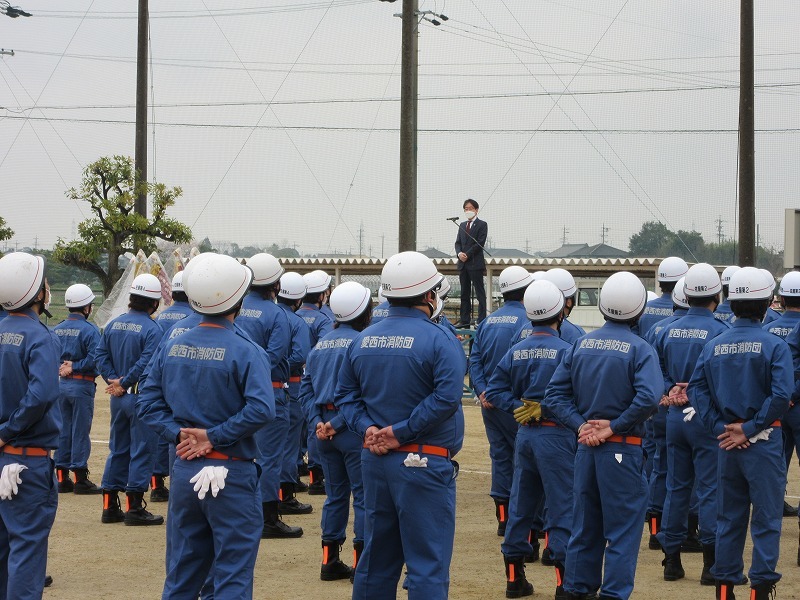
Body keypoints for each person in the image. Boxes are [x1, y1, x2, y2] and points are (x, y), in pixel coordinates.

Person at [137, 252, 275, 599]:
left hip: (184, 469)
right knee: (232, 576)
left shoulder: (171, 344)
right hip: (232, 474)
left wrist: (180, 434)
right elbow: (261, 409)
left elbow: (147, 403)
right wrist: (213, 437)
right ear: (239, 299)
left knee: (182, 574)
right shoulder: (247, 350)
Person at [335, 251, 465, 600]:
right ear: (428, 295)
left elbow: (345, 395)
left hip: (374, 461)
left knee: (377, 559)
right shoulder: (441, 340)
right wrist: (400, 432)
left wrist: (369, 430)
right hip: (423, 461)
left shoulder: (363, 339)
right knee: (427, 563)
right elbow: (446, 399)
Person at [543, 271, 661, 600]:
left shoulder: (581, 344)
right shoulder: (641, 349)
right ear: (639, 308)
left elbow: (554, 396)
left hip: (585, 450)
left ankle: (577, 590)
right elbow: (649, 398)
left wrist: (581, 424)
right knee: (622, 533)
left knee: (585, 527)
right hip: (623, 449)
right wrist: (614, 426)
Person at [690, 267, 793, 600]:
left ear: (731, 302)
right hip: (763, 443)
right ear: (766, 304)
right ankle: (760, 591)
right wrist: (749, 428)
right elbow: (781, 395)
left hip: (725, 444)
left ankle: (724, 589)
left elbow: (696, 389)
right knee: (766, 520)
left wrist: (722, 428)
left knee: (728, 519)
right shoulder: (774, 346)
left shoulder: (714, 345)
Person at [486, 279, 573, 599]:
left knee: (522, 503)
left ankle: (514, 579)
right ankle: (564, 585)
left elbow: (494, 392)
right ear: (559, 313)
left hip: (525, 435)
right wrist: (544, 409)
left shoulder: (515, 350)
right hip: (558, 436)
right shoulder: (568, 350)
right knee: (563, 506)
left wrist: (524, 410)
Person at [652, 264, 729, 585]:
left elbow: (657, 372)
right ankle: (710, 564)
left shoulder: (667, 330)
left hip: (675, 416)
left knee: (676, 486)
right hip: (705, 417)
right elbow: (724, 381)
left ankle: (672, 560)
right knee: (710, 489)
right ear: (716, 294)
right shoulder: (722, 331)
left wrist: (673, 388)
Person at [300, 281, 371, 582]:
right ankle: (361, 563)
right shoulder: (362, 343)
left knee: (335, 496)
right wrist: (338, 423)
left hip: (323, 433)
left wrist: (318, 422)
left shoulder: (320, 345)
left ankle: (329, 560)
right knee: (364, 497)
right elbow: (364, 393)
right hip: (351, 429)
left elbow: (306, 389)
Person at [0, 252, 60, 600]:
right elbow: (41, 395)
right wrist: (7, 430)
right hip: (26, 461)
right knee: (26, 551)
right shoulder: (39, 336)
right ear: (37, 294)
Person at [235, 253, 309, 538]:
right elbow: (277, 355)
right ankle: (267, 517)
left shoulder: (238, 308)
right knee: (269, 459)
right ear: (275, 285)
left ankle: (245, 512)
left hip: (237, 392)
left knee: (242, 454)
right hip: (270, 392)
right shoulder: (277, 313)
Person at [469, 266, 534, 538]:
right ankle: (524, 521)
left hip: (490, 404)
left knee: (500, 457)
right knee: (525, 461)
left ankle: (503, 519)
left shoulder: (487, 321)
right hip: (516, 404)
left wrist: (484, 391)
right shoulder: (528, 322)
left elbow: (474, 360)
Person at [96, 272, 164, 526]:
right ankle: (134, 507)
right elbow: (146, 363)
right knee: (142, 450)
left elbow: (100, 355)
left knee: (118, 449)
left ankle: (109, 505)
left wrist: (113, 381)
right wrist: (124, 382)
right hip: (140, 397)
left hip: (118, 398)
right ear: (154, 302)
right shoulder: (153, 329)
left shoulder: (114, 324)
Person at [639, 256, 688, 550]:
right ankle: (687, 532)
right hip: (690, 407)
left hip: (656, 399)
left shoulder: (646, 313)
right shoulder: (700, 323)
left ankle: (656, 530)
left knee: (658, 464)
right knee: (690, 474)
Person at [52, 283, 102, 495]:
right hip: (82, 386)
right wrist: (76, 366)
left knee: (63, 429)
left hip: (61, 385)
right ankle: (80, 478)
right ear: (87, 307)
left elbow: (48, 355)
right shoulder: (90, 331)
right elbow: (97, 360)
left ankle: (61, 477)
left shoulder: (57, 328)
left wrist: (62, 368)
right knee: (80, 431)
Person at [149, 270, 191, 503]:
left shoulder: (162, 318)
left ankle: (156, 484)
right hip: (184, 383)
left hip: (161, 380)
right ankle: (179, 485)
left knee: (163, 431)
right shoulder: (194, 319)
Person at [276, 273, 312, 498]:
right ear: (298, 299)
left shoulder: (268, 316)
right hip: (292, 386)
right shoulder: (296, 322)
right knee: (289, 443)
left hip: (264, 386)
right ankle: (286, 493)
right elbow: (300, 355)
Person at [300, 270, 334, 495]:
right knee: (317, 426)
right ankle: (317, 478)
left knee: (298, 432)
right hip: (316, 376)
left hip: (295, 381)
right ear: (323, 295)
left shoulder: (294, 316)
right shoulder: (323, 320)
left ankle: (300, 472)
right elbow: (324, 350)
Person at [454, 198, 488, 328]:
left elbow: (479, 243)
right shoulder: (462, 225)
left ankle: (481, 319)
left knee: (479, 293)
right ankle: (465, 320)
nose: (468, 211)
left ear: (476, 210)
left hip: (475, 263)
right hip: (463, 264)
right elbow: (458, 243)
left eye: (470, 209)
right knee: (464, 293)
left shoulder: (482, 224)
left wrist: (467, 254)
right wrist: (459, 254)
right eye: (466, 209)